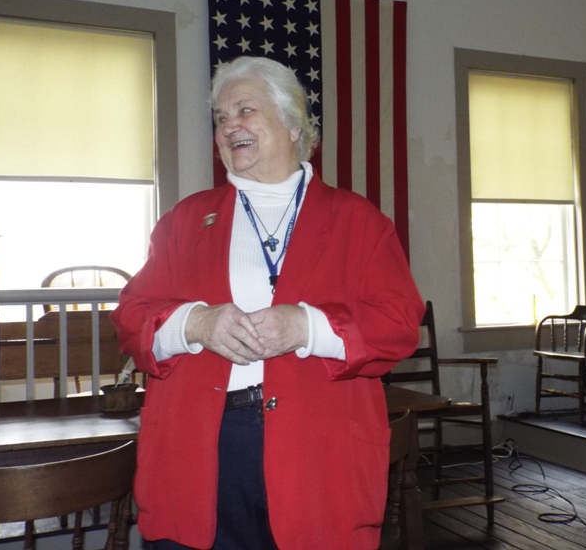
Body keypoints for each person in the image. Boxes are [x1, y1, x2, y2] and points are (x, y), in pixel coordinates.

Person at [111, 55, 425, 550]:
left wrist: (306, 327)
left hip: (319, 453)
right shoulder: (184, 220)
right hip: (201, 450)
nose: (228, 126)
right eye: (220, 118)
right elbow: (130, 317)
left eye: (244, 110)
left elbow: (400, 323)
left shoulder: (359, 221)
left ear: (293, 124)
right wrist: (195, 323)